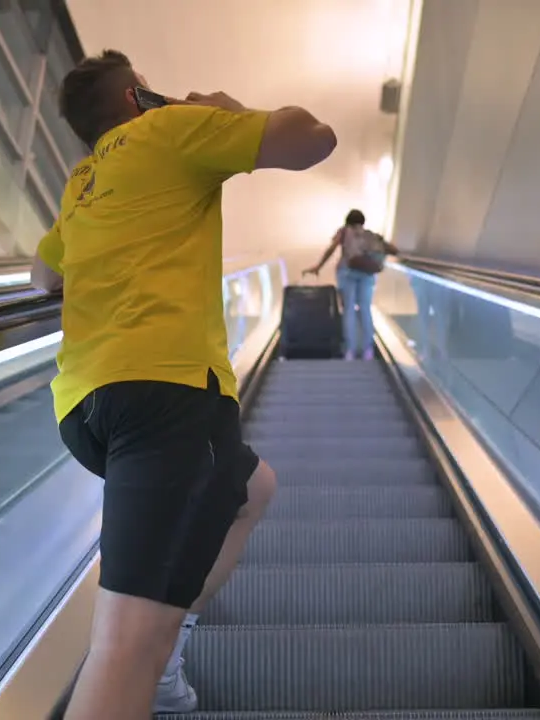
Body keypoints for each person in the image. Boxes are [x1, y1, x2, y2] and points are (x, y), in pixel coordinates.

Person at [29, 49, 336, 720]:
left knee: (252, 488)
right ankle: (153, 658)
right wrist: (220, 110)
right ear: (140, 96)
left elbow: (42, 276)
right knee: (121, 648)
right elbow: (314, 138)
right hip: (166, 402)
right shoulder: (170, 130)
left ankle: (168, 652)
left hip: (85, 407)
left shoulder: (82, 179)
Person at [303, 209, 399, 360]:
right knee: (365, 309)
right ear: (363, 221)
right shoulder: (371, 235)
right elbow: (393, 250)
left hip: (347, 273)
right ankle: (368, 350)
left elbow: (331, 249)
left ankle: (350, 350)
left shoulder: (343, 232)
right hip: (367, 275)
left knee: (348, 310)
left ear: (347, 221)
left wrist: (318, 266)